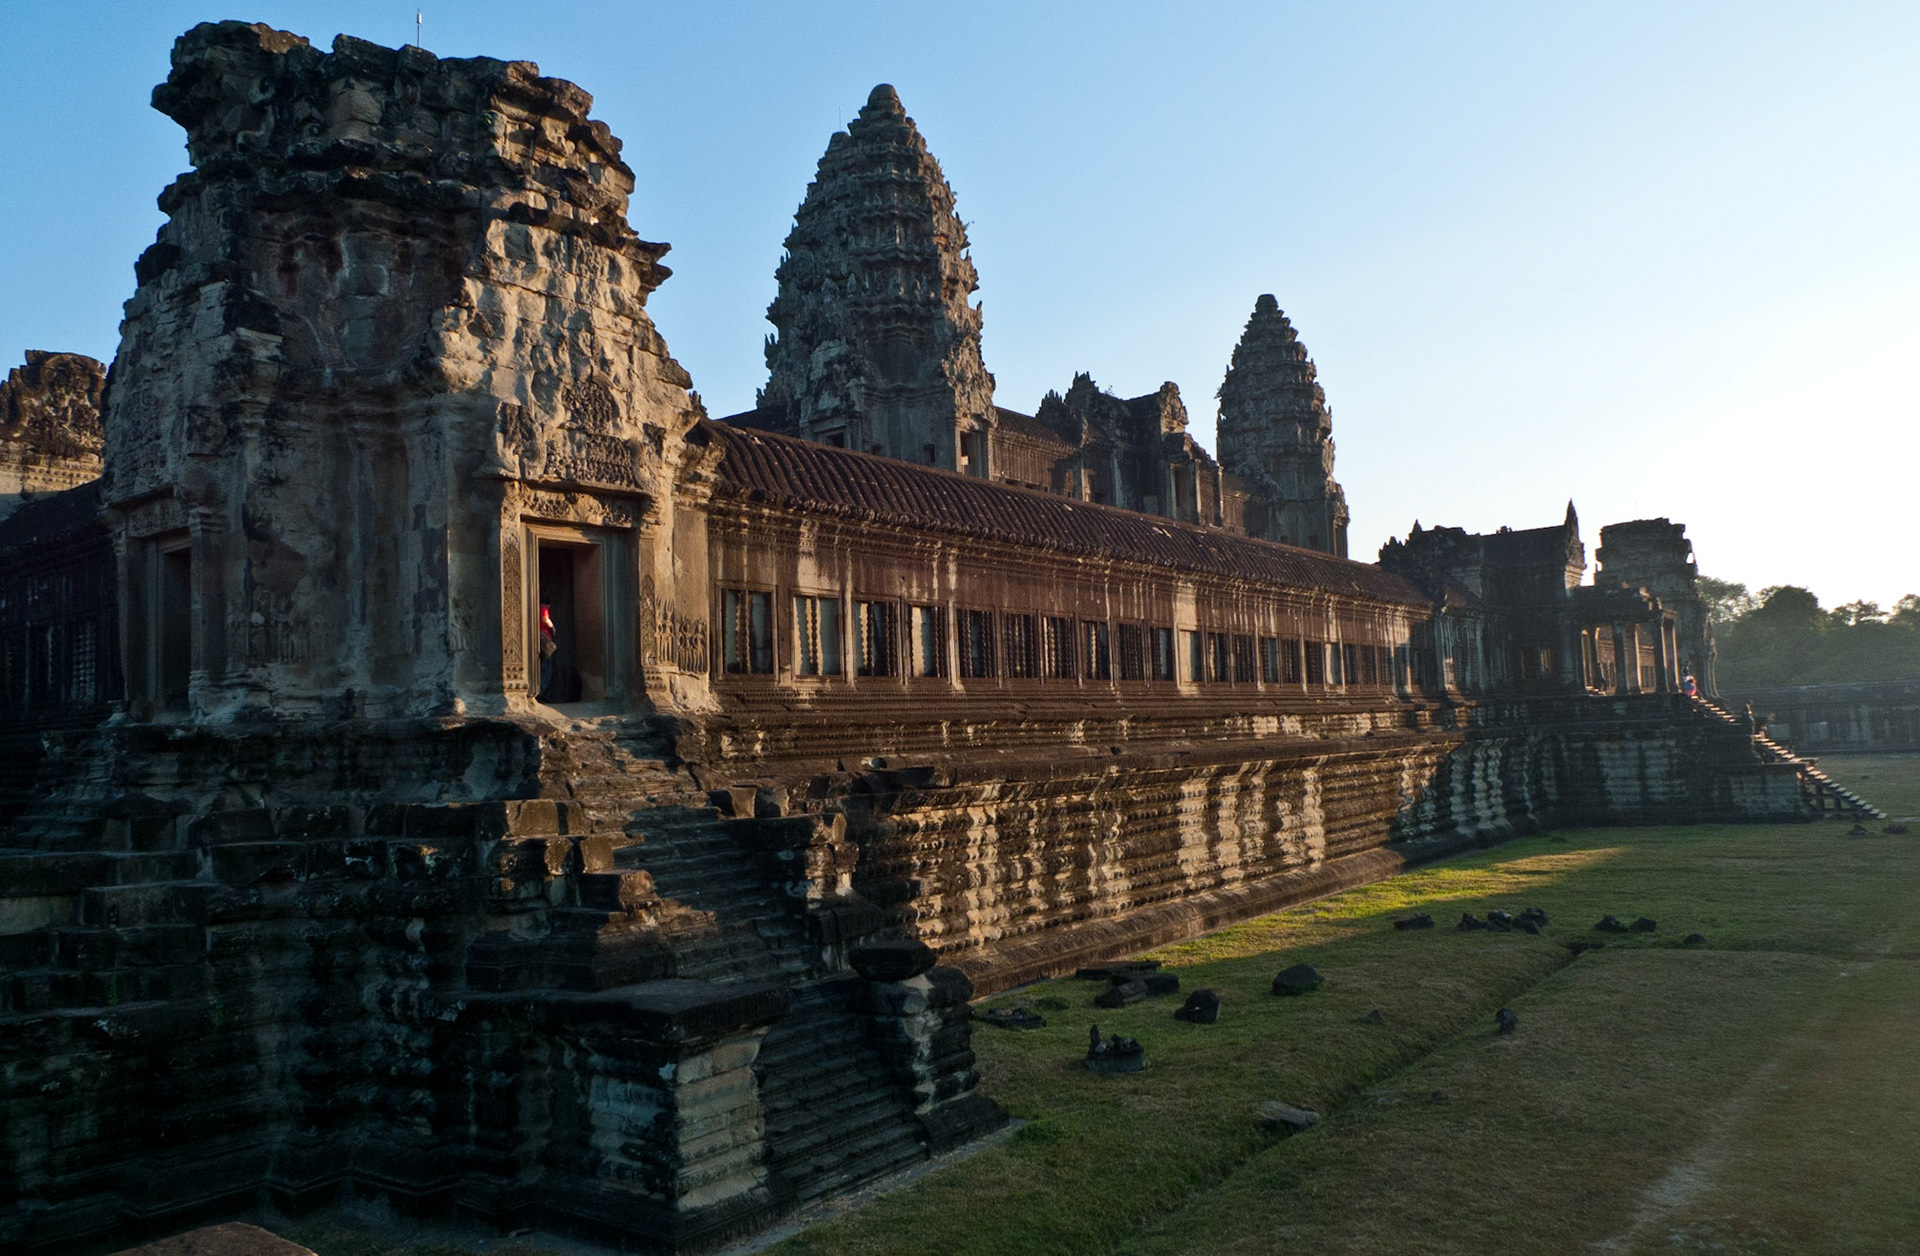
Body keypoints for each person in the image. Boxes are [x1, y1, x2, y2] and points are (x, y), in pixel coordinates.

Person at [538, 600, 558, 700]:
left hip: (538, 640)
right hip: (544, 640)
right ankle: (541, 693)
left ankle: (541, 692)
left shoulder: (535, 610)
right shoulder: (543, 609)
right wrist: (552, 627)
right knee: (546, 668)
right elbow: (545, 619)